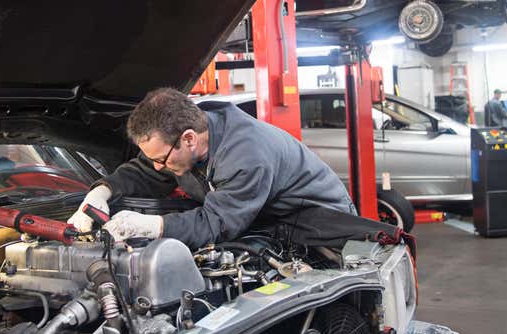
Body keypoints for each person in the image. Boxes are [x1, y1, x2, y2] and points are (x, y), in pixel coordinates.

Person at [68, 87, 355, 249]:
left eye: (162, 159)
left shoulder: (247, 154)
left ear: (189, 139)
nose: (158, 165)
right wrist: (101, 193)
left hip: (321, 230)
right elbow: (145, 170)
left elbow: (217, 223)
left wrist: (153, 225)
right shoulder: (177, 145)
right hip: (267, 221)